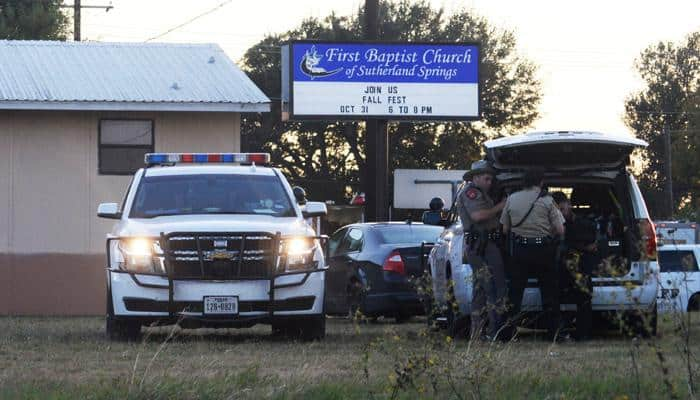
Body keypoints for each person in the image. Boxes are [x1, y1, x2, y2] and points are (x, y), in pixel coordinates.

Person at [500, 167, 565, 341]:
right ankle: (554, 334)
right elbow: (560, 229)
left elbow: (505, 229)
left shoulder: (512, 199)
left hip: (520, 251)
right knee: (549, 292)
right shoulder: (547, 201)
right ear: (541, 182)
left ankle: (507, 333)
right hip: (543, 251)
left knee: (515, 293)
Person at [455, 160, 507, 340]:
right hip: (481, 246)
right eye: (486, 179)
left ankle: (477, 333)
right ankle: (495, 332)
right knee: (493, 286)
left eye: (491, 179)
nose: (489, 182)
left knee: (482, 290)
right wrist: (501, 206)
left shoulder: (481, 193)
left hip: (484, 244)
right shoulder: (471, 193)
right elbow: (478, 216)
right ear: (475, 177)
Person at [552, 191, 596, 341]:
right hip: (558, 267)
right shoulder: (547, 225)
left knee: (584, 296)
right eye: (556, 211)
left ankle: (583, 333)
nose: (560, 214)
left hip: (580, 265)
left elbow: (592, 245)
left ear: (569, 205)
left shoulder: (584, 224)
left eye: (562, 210)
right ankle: (558, 332)